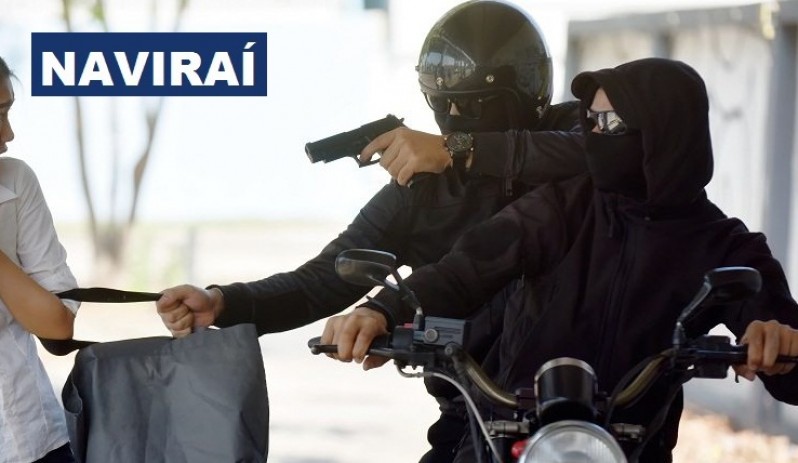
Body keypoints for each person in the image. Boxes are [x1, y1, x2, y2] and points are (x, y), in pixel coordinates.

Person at [157, 1, 585, 461]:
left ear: (525, 89)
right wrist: (224, 302)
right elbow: (322, 279)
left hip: (593, 404)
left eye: (475, 103)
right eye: (442, 102)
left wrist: (459, 149)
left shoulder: (573, 136)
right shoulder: (422, 186)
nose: (454, 114)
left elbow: (601, 154)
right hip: (473, 412)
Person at [319, 57, 798, 462]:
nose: (595, 135)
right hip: (507, 435)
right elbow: (465, 269)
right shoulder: (563, 206)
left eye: (612, 124)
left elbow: (787, 359)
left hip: (630, 446)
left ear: (668, 133)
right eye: (591, 121)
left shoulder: (724, 245)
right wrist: (382, 309)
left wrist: (777, 340)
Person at [0, 56, 80, 463]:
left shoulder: (16, 181)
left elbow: (57, 324)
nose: (8, 134)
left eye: (7, 112)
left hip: (34, 436)